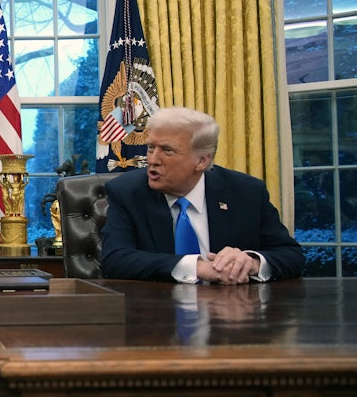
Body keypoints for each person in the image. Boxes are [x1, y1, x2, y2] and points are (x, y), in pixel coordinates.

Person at [100, 106, 305, 284]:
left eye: (167, 151)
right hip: (156, 315)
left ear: (201, 161)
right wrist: (198, 268)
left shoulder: (247, 192)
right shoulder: (127, 192)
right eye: (151, 148)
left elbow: (291, 255)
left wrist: (250, 263)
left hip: (231, 316)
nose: (153, 160)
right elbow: (115, 260)